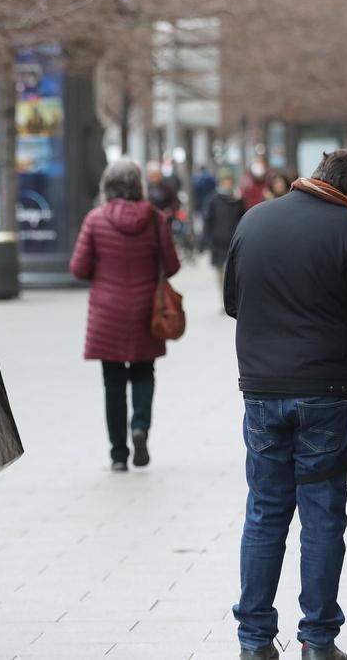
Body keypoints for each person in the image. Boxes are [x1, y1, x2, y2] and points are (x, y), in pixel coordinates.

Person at [224, 150, 347, 660]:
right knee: (322, 517)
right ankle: (318, 641)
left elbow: (234, 302)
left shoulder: (255, 219)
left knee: (264, 514)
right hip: (328, 395)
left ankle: (254, 640)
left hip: (261, 393)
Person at [70, 159, 180, 472]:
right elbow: (171, 266)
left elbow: (78, 268)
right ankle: (140, 427)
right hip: (148, 309)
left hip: (108, 312)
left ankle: (118, 455)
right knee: (145, 372)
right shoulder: (156, 219)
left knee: (113, 382)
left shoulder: (95, 219)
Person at [205, 168, 246, 288]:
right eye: (225, 180)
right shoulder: (214, 200)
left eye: (229, 180)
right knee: (221, 275)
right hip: (218, 243)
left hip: (234, 241)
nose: (228, 183)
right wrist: (208, 240)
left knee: (235, 273)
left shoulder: (237, 199)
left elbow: (243, 218)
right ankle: (224, 302)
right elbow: (208, 220)